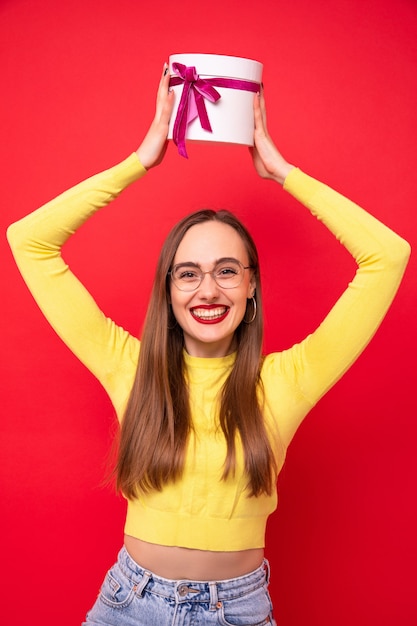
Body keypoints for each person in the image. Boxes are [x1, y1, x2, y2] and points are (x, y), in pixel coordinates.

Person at [7, 63, 410, 626]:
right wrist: (140, 162)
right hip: (128, 604)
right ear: (168, 291)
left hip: (238, 610)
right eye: (188, 274)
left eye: (227, 270)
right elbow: (29, 242)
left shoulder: (285, 382)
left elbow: (387, 257)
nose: (208, 289)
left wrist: (282, 172)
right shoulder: (129, 367)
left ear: (251, 289)